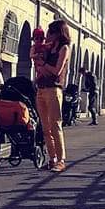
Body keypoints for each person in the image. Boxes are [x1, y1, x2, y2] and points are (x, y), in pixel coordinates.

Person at [34, 19, 72, 172]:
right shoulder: (49, 49)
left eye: (50, 32)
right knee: (45, 127)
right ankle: (52, 158)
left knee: (55, 124)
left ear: (58, 33)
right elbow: (41, 67)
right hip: (42, 88)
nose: (47, 35)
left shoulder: (64, 48)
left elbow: (57, 71)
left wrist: (43, 65)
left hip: (54, 89)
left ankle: (61, 159)